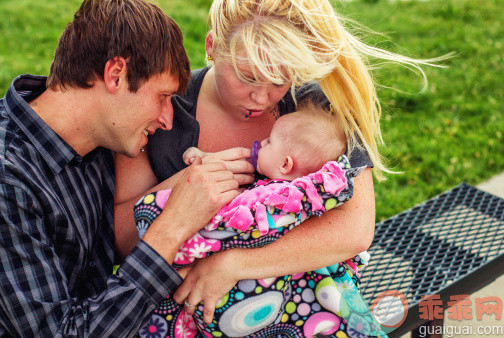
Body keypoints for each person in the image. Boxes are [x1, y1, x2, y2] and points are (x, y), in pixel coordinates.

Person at [115, 0, 440, 336]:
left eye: (280, 80)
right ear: (211, 46)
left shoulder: (316, 105)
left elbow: (354, 231)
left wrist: (233, 264)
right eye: (247, 76)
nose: (261, 97)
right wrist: (187, 183)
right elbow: (123, 239)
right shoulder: (164, 108)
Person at [0, 0, 245, 336]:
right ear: (116, 75)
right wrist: (170, 227)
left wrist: (191, 182)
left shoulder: (95, 138)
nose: (167, 119)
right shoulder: (9, 178)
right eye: (162, 97)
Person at [132, 102, 383, 337]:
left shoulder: (274, 199)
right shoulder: (287, 189)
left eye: (268, 141)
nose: (260, 143)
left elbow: (234, 225)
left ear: (285, 164)